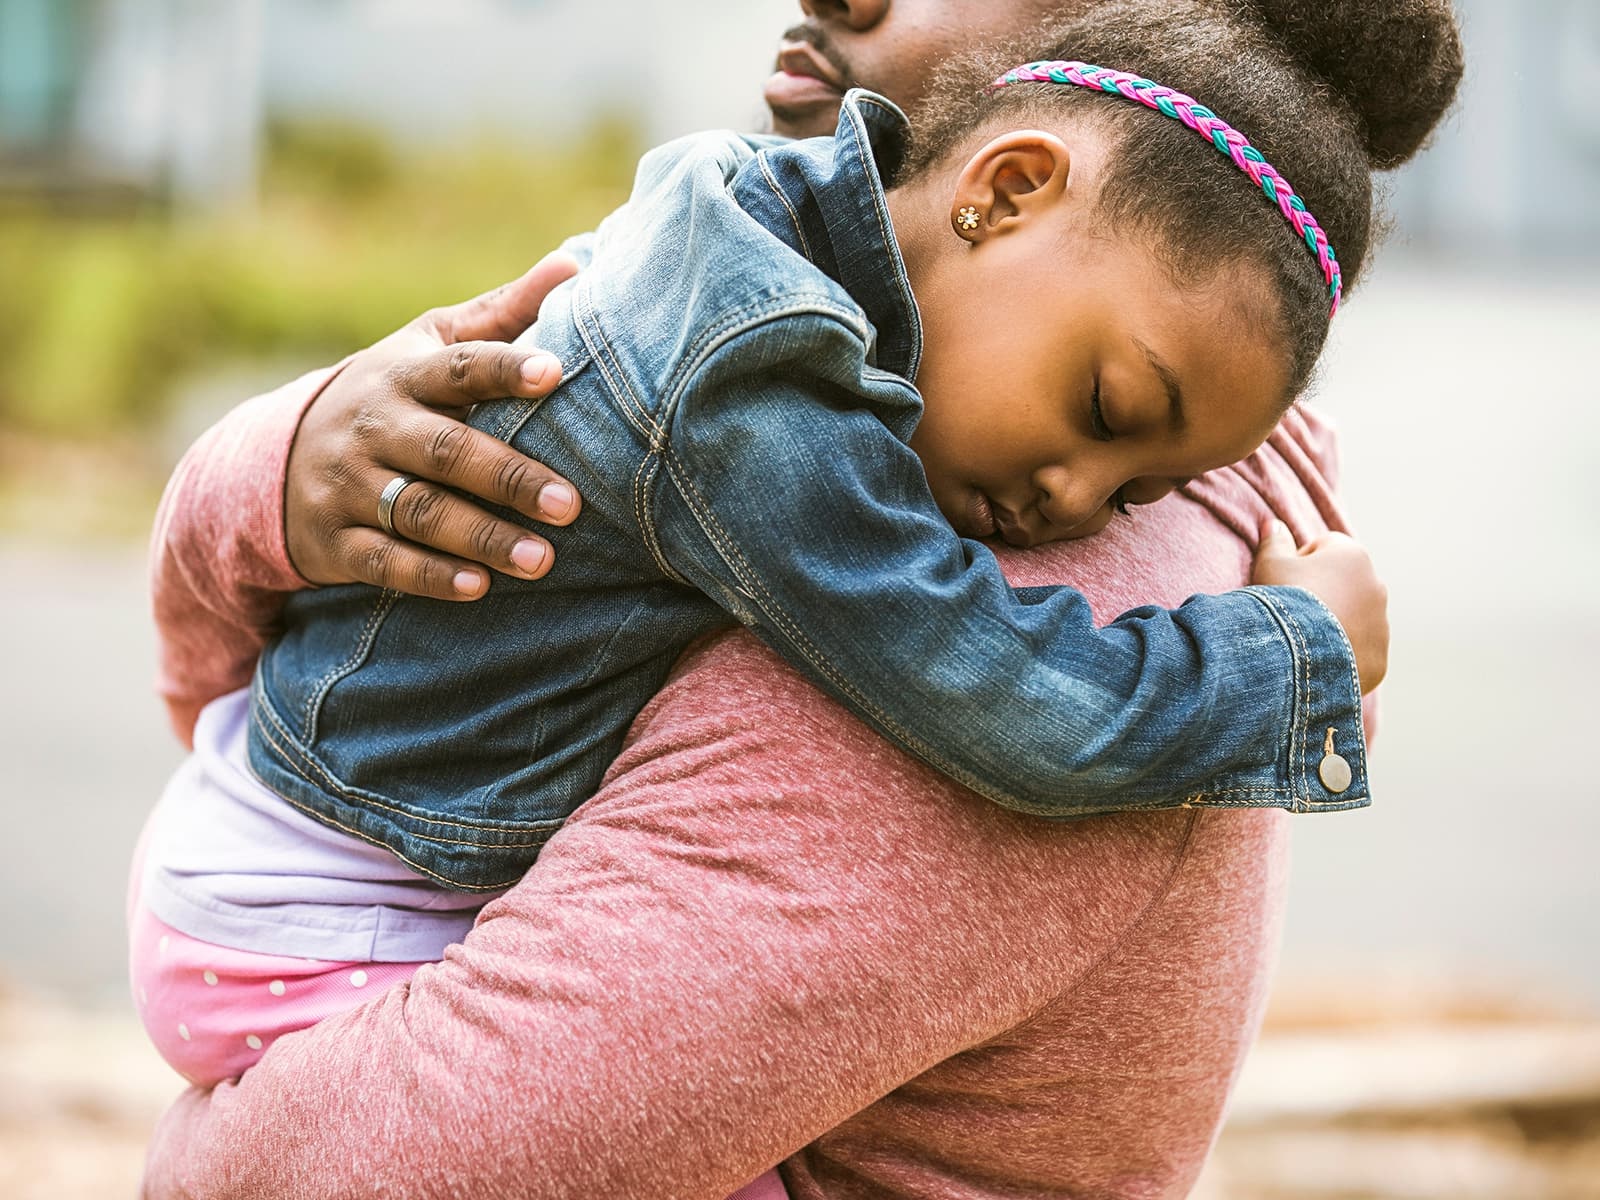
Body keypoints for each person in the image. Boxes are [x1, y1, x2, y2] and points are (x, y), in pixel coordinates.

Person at [138, 0, 1462, 1195]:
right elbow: (995, 686)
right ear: (1004, 188)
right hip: (324, 892)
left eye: (1131, 481)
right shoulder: (780, 348)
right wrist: (1291, 667)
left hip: (307, 852)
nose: (1074, 502)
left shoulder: (846, 288)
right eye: (1105, 416)